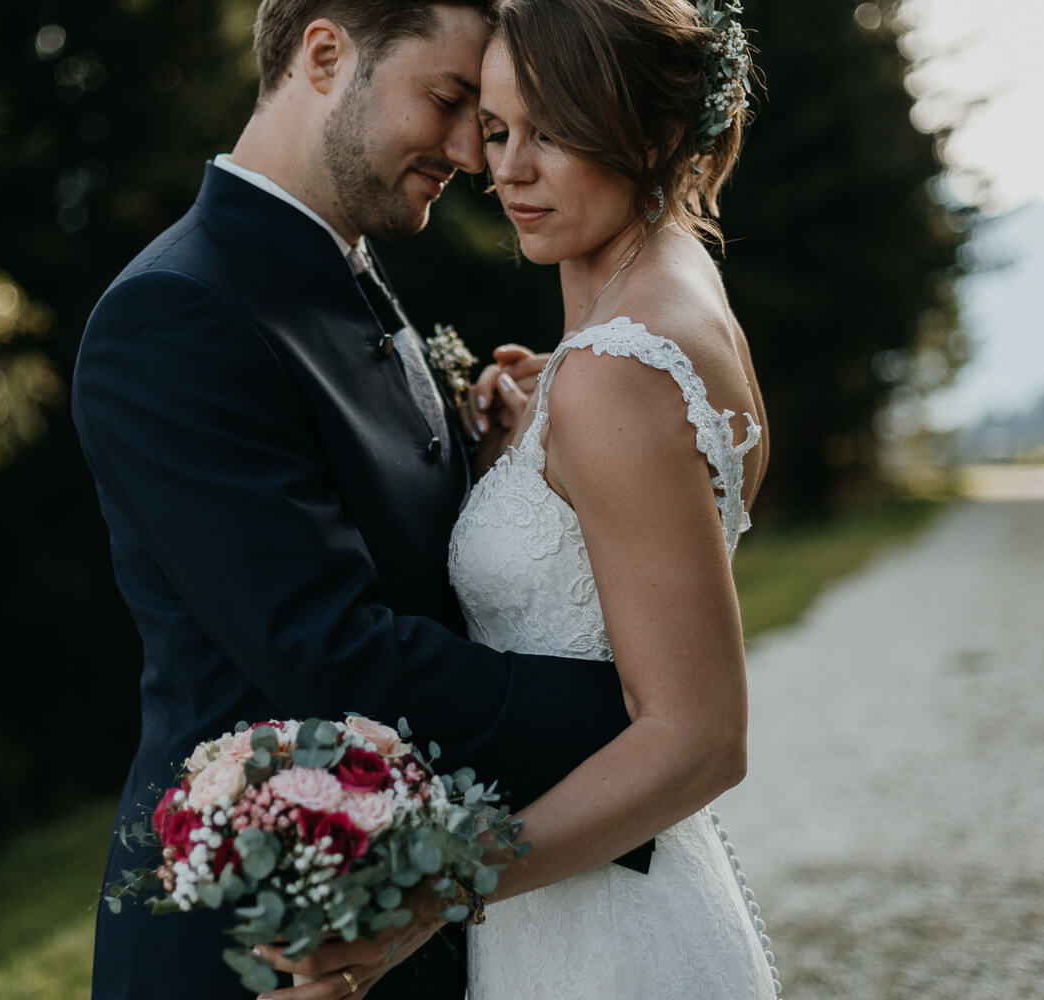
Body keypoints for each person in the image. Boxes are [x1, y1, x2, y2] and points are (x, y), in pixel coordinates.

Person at [69, 2, 652, 997]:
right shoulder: (176, 313)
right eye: (450, 99)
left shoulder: (344, 269)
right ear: (327, 53)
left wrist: (501, 452)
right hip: (257, 947)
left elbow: (396, 548)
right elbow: (331, 648)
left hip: (385, 918)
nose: (474, 151)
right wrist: (638, 722)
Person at [256, 0, 782, 996]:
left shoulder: (616, 370)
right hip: (617, 894)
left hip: (605, 937)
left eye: (556, 131)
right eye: (497, 129)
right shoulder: (665, 295)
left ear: (657, 135)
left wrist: (433, 894)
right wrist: (523, 450)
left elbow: (701, 734)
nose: (509, 169)